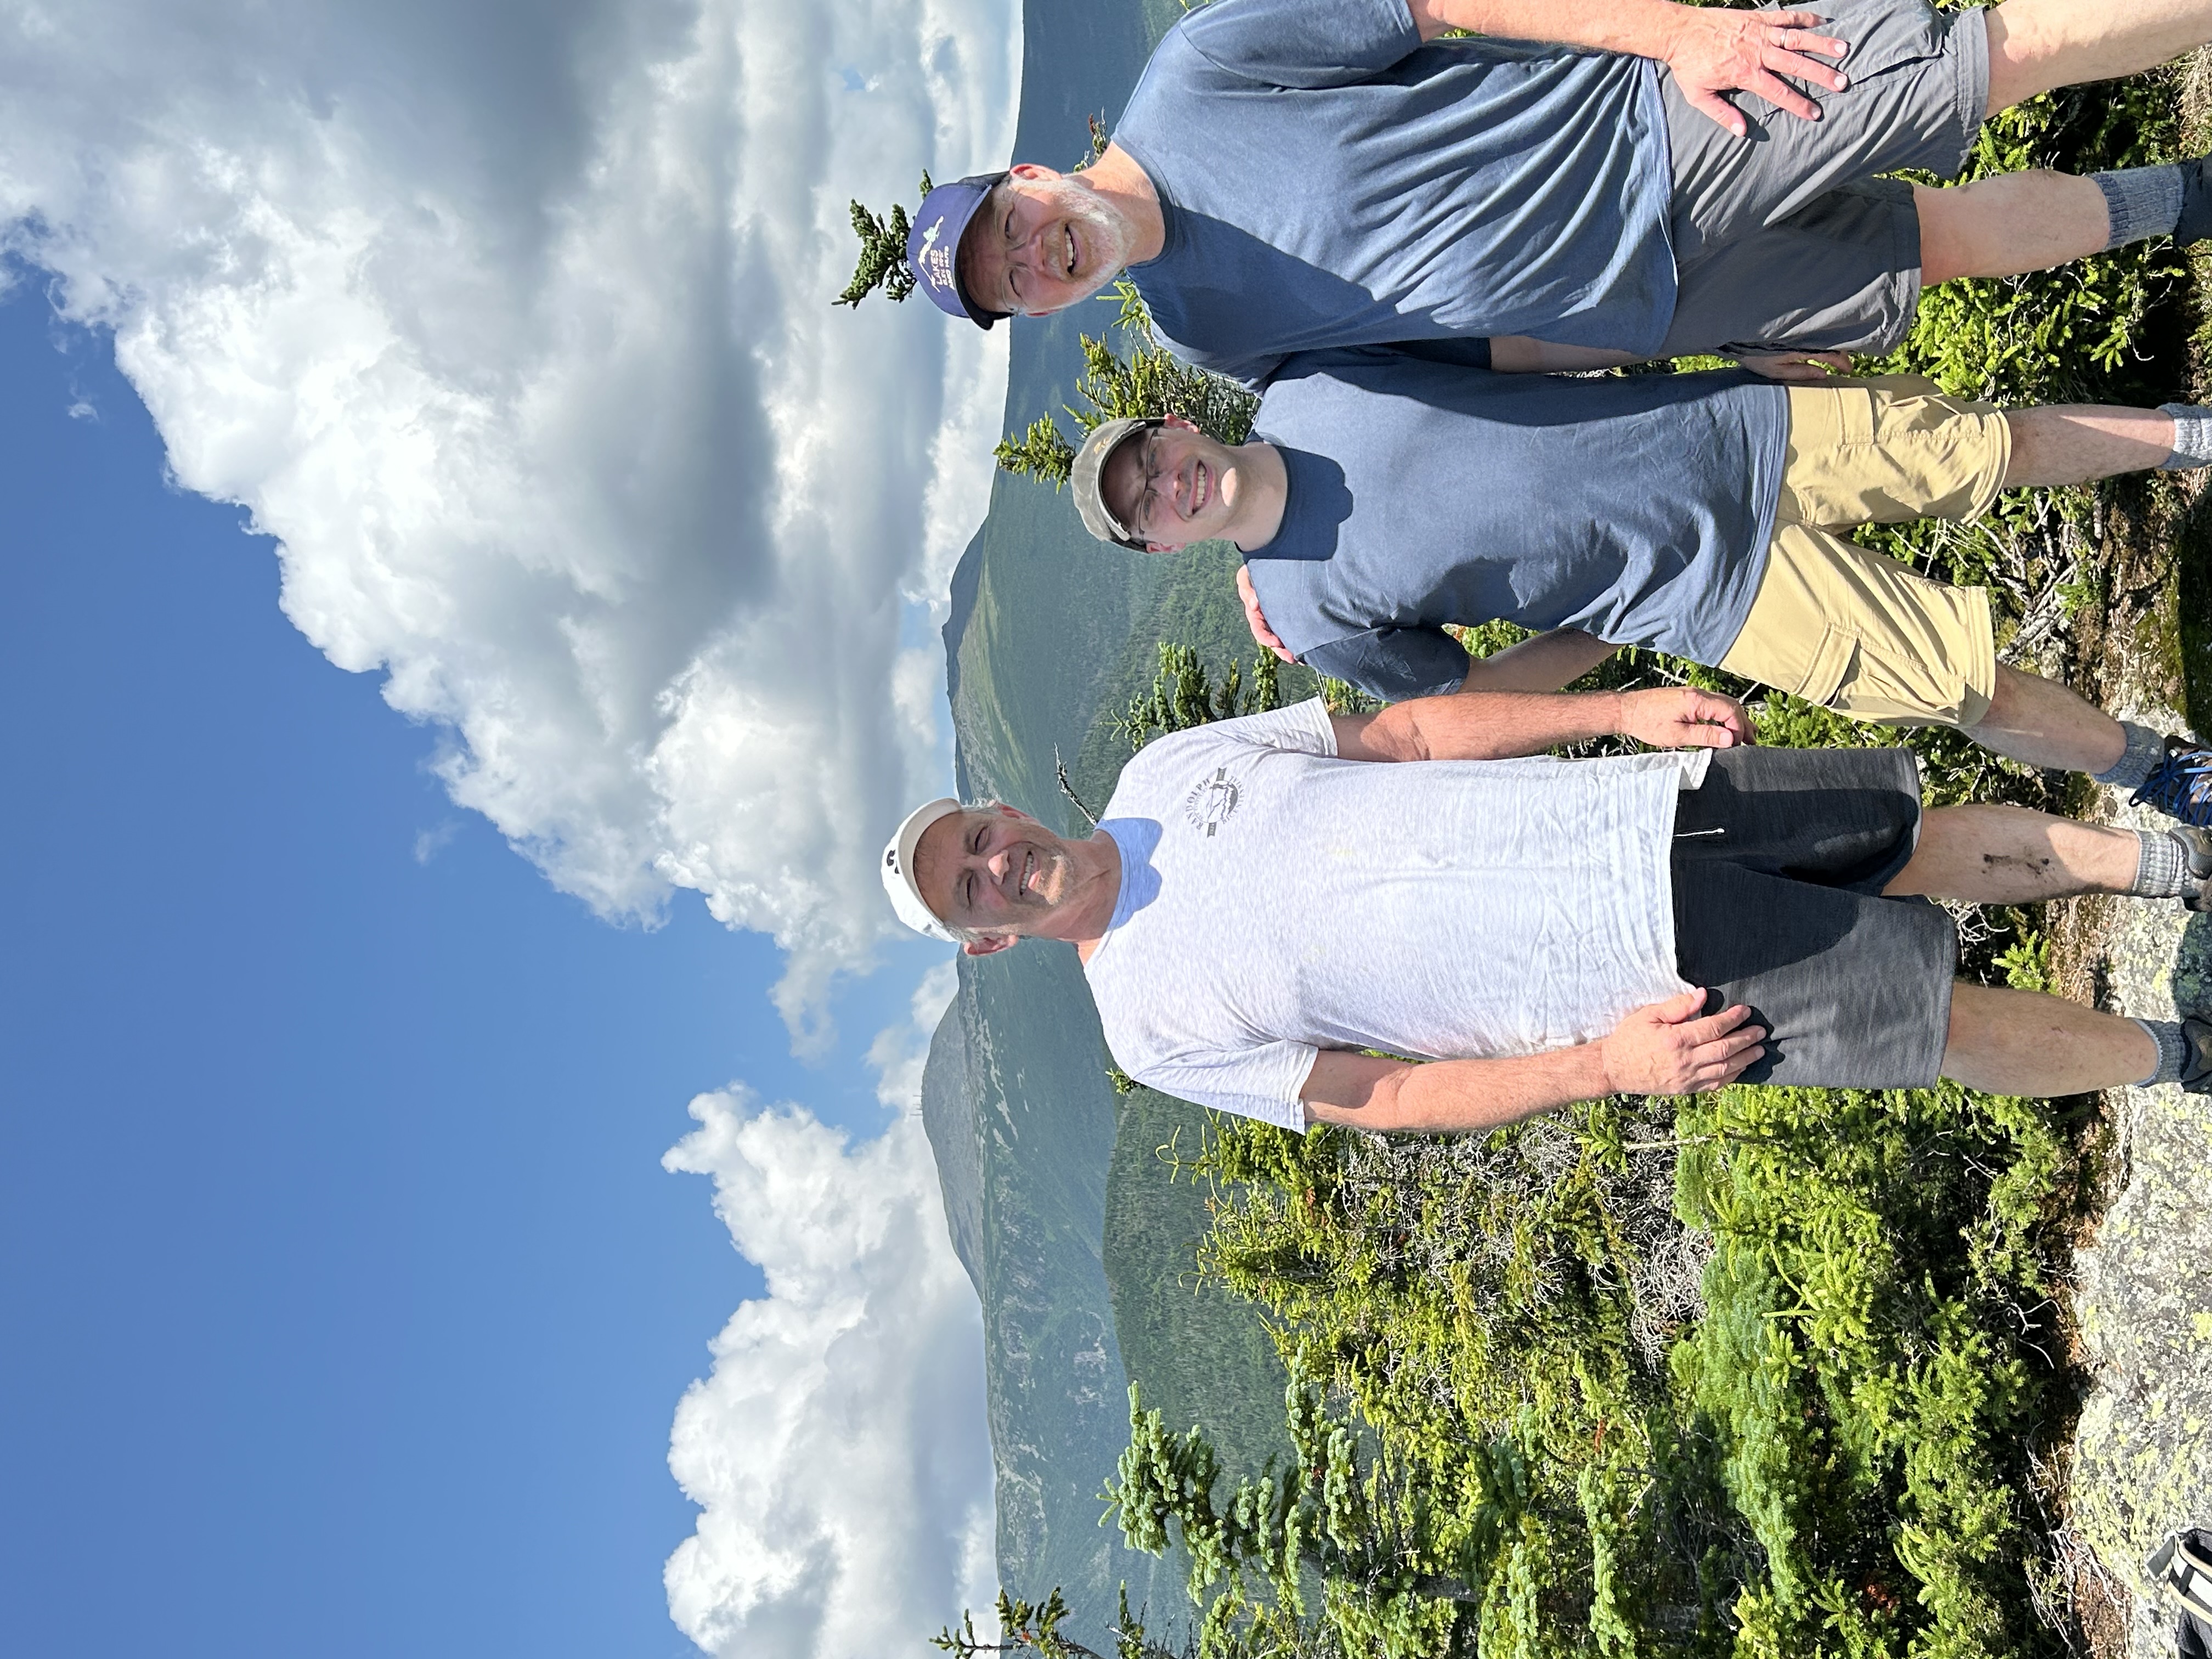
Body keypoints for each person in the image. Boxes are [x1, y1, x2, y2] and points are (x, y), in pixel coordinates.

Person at [881, 688, 2212, 1133]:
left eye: (977, 836)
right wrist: (1601, 1069)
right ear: (985, 940)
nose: (993, 863)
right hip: (1637, 978)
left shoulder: (1164, 771)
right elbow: (1382, 1099)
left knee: (1908, 844)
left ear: (999, 810)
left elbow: (1398, 735)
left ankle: (2168, 868)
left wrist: (1610, 710)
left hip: (1638, 805)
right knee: (1940, 1024)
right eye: (967, 890)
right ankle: (2184, 1057)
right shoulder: (1145, 1030)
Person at [1065, 359, 2212, 826]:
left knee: (1982, 446)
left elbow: (1512, 341)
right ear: (1166, 548)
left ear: (1175, 425)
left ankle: (2184, 440)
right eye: (1148, 507)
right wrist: (1605, 649)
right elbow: (1462, 698)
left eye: (1154, 461)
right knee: (1961, 685)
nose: (1172, 485)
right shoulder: (1310, 617)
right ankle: (2164, 773)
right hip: (1712, 594)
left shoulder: (1310, 382)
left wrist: (1722, 331)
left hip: (1729, 426)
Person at [879, 0, 2212, 385]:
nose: (1036, 255)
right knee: (1941, 248)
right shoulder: (1203, 336)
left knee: (1980, 61)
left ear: (1033, 174)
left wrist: (1678, 34)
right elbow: (1439, 356)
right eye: (1015, 285)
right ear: (1040, 314)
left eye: (1012, 227)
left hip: (1655, 129)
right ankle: (2190, 196)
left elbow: (1437, 1)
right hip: (1653, 302)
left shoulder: (1198, 75)